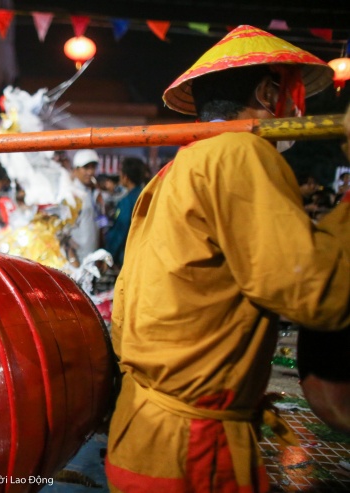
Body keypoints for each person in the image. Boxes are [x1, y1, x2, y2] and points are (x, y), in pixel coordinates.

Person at [105, 26, 350, 493]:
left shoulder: (182, 165)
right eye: (294, 93)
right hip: (193, 451)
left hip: (142, 432)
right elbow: (317, 292)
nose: (302, 110)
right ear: (268, 91)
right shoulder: (239, 153)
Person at [103, 157, 148, 268]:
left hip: (127, 257)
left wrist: (109, 255)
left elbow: (120, 231)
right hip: (143, 254)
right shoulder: (146, 195)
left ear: (126, 177)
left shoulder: (127, 201)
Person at [69, 149, 101, 265]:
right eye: (86, 167)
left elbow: (99, 223)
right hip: (79, 262)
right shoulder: (71, 194)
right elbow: (62, 233)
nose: (90, 172)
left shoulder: (93, 192)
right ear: (76, 169)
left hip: (92, 259)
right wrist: (74, 261)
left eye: (93, 167)